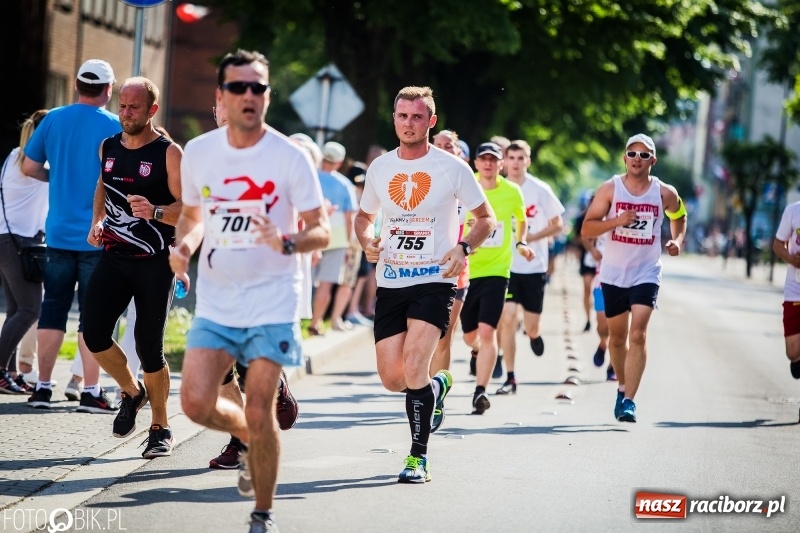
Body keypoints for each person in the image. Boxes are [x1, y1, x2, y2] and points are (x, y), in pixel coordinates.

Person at [172, 49, 329, 533]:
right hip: (217, 301)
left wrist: (287, 241)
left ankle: (262, 513)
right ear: (221, 95)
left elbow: (321, 229)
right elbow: (193, 215)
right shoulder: (200, 152)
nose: (248, 95)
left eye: (257, 87)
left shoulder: (289, 157)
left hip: (272, 300)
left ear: (267, 95)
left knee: (261, 407)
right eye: (238, 87)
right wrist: (184, 246)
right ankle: (246, 433)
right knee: (195, 403)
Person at [355, 86, 495, 483]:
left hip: (435, 279)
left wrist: (463, 248)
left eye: (417, 117)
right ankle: (438, 384)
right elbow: (364, 218)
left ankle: (418, 458)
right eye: (402, 116)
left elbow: (486, 219)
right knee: (393, 378)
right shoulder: (381, 167)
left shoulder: (452, 168)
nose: (409, 123)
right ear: (394, 119)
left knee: (415, 364)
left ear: (430, 121)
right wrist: (367, 241)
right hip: (391, 280)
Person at [80, 77, 182, 457]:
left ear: (152, 110)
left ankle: (160, 427)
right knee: (93, 333)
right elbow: (103, 186)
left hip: (155, 262)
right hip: (114, 257)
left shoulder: (169, 153)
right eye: (122, 106)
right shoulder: (108, 146)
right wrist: (98, 220)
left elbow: (190, 208)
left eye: (133, 107)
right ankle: (131, 391)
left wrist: (155, 212)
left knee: (149, 347)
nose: (125, 113)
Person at [22, 59, 122, 409]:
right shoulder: (114, 125)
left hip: (58, 233)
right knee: (94, 315)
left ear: (77, 85)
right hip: (98, 234)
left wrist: (58, 177)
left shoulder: (53, 119)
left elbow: (29, 166)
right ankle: (91, 392)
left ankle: (42, 388)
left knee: (53, 308)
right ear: (108, 89)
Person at [581, 133, 686, 423]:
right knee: (617, 339)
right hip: (614, 272)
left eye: (644, 155)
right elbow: (587, 229)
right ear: (624, 158)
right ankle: (621, 387)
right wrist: (617, 221)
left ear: (653, 160)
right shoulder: (610, 189)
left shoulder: (664, 193)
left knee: (637, 333)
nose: (637, 159)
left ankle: (629, 401)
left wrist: (677, 240)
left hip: (646, 271)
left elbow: (679, 215)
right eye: (632, 154)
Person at [460, 141, 533, 414]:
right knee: (469, 336)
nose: (489, 164)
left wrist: (521, 242)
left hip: (497, 271)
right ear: (476, 163)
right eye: (484, 159)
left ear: (500, 164)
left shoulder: (512, 191)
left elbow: (522, 219)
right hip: (468, 270)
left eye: (493, 159)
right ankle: (476, 350)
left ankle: (480, 391)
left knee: (488, 331)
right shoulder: (465, 186)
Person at [496, 140, 565, 394]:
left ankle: (534, 335)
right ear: (505, 161)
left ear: (528, 161)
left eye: (520, 158)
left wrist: (529, 238)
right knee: (508, 318)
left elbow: (558, 225)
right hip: (506, 265)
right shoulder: (497, 187)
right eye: (511, 158)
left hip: (534, 266)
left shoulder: (540, 190)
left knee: (531, 325)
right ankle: (510, 377)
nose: (515, 163)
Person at [0, 110, 49, 394]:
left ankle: (10, 373)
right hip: (18, 242)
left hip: (7, 240)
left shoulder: (14, 156)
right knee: (31, 309)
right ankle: (1, 370)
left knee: (17, 310)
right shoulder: (33, 163)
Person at [428, 130, 470, 429]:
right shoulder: (421, 176)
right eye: (438, 145)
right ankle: (426, 385)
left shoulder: (467, 182)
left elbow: (483, 221)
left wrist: (467, 246)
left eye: (449, 146)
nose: (443, 149)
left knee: (443, 336)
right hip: (418, 269)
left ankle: (435, 398)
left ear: (458, 152)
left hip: (455, 271)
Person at [308, 141, 358, 334]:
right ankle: (315, 323)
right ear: (339, 162)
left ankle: (300, 320)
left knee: (306, 279)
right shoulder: (345, 184)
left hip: (312, 232)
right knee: (326, 284)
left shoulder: (311, 177)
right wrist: (348, 243)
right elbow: (349, 218)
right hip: (336, 238)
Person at [772, 202, 800, 380]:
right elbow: (777, 245)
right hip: (795, 290)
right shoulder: (793, 210)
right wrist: (792, 259)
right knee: (793, 353)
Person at [572, 199, 597, 332]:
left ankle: (602, 316)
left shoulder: (611, 217)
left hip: (605, 259)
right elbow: (576, 237)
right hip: (587, 257)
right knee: (587, 288)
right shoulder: (581, 218)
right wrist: (589, 245)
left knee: (601, 291)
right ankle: (588, 319)